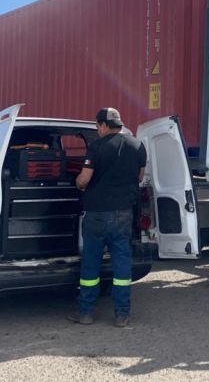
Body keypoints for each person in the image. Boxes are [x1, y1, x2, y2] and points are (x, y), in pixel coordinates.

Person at [68, 107, 147, 327]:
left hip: (96, 215)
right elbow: (139, 176)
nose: (97, 130)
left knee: (91, 265)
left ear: (103, 125)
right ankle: (122, 314)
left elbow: (83, 180)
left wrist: (76, 183)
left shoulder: (96, 147)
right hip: (122, 213)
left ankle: (86, 313)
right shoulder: (137, 145)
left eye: (97, 126)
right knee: (122, 264)